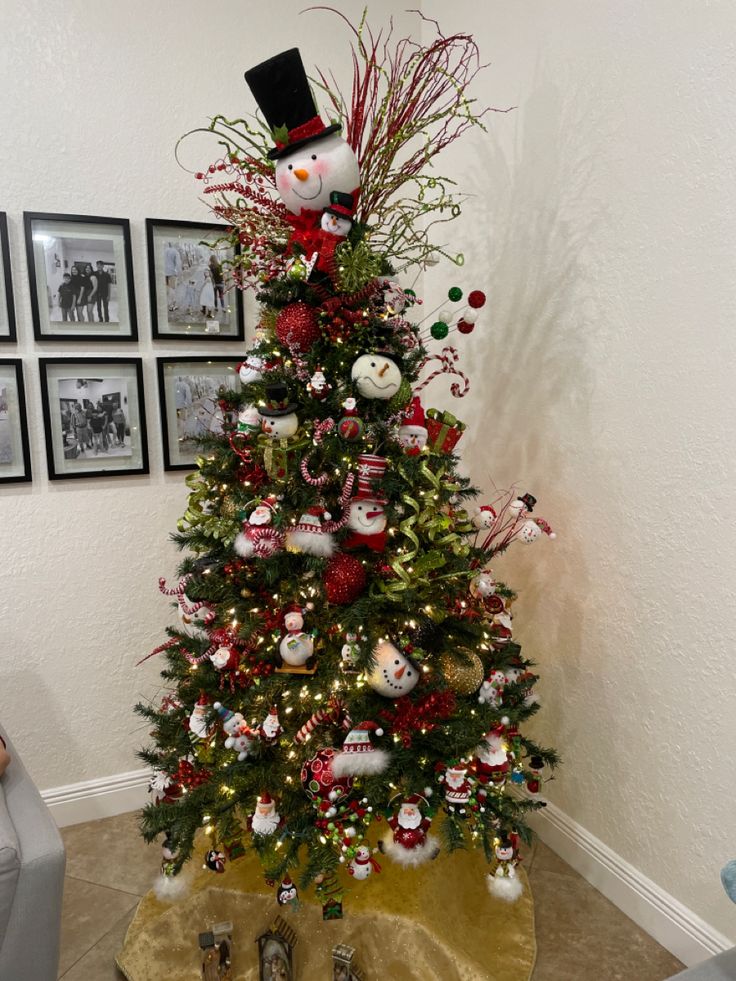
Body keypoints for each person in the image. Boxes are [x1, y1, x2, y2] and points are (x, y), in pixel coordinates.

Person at [164, 242, 182, 311]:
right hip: (172, 272)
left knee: (167, 288)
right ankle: (172, 305)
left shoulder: (164, 251)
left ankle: (168, 304)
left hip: (164, 272)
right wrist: (179, 274)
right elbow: (178, 264)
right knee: (172, 288)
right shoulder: (175, 251)